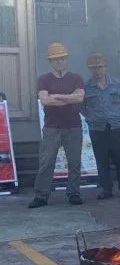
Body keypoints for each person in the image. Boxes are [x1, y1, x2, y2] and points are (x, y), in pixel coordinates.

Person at [29, 42, 85, 209]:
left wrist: (58, 97)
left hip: (73, 126)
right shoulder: (43, 79)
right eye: (55, 59)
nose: (59, 62)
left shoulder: (76, 78)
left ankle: (74, 192)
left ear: (66, 59)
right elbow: (45, 100)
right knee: (46, 162)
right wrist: (69, 97)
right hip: (52, 127)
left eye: (62, 58)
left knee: (74, 161)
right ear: (50, 62)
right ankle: (41, 195)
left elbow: (80, 98)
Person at [83, 52, 120, 200]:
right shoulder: (86, 87)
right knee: (101, 159)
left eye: (100, 67)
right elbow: (82, 106)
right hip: (97, 128)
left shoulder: (117, 84)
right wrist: (90, 119)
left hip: (115, 126)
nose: (97, 71)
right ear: (89, 69)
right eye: (93, 68)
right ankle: (106, 189)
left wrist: (118, 116)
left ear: (106, 67)